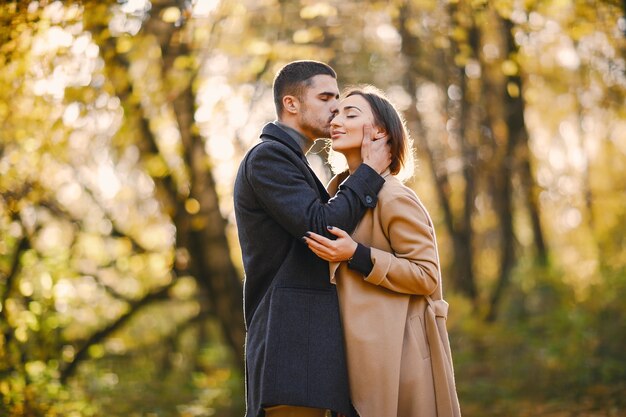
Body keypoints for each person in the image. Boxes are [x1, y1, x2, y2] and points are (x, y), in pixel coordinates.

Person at [233, 61, 392, 417]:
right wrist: (368, 173)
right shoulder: (268, 158)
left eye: (338, 97)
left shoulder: (293, 161)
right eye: (325, 97)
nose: (335, 107)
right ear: (291, 104)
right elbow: (322, 227)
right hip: (292, 347)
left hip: (304, 349)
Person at [303, 86, 462, 417]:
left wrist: (357, 255)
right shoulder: (335, 197)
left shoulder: (393, 197)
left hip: (398, 362)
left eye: (351, 113)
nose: (337, 119)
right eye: (336, 112)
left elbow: (427, 275)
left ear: (379, 132)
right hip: (352, 359)